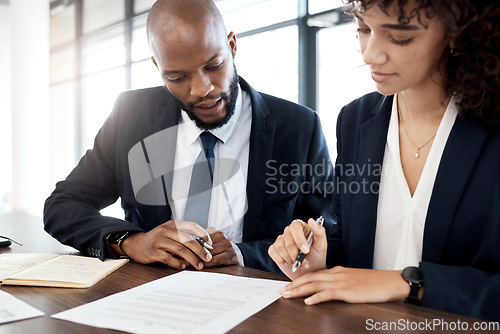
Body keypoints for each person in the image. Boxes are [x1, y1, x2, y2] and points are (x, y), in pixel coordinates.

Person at [43, 0, 336, 274]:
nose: (201, 89)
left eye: (213, 66)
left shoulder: (299, 127)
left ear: (232, 46)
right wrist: (132, 241)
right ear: (158, 68)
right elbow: (63, 205)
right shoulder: (130, 117)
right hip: (150, 301)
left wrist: (243, 254)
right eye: (177, 77)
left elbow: (331, 236)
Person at [269, 0, 500, 321]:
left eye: (400, 37)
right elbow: (350, 237)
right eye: (363, 29)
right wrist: (320, 259)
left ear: (457, 34)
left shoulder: (492, 127)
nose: (369, 54)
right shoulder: (354, 119)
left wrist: (408, 283)